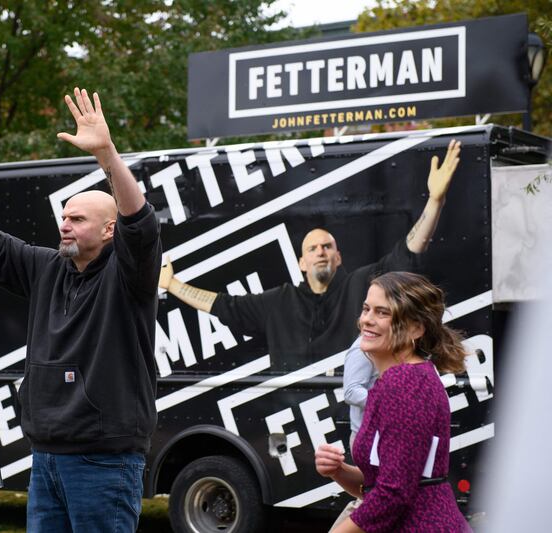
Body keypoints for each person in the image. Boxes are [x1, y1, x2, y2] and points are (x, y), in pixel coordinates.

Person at [0, 87, 162, 532]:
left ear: (110, 230)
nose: (65, 223)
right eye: (64, 215)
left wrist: (106, 154)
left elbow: (141, 224)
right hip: (47, 458)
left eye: (77, 218)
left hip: (103, 462)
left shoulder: (128, 275)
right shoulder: (46, 268)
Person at [158, 140, 461, 371]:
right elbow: (223, 305)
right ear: (301, 263)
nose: (320, 252)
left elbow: (407, 252)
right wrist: (171, 285)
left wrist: (435, 202)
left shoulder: (362, 287)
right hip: (291, 422)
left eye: (327, 246)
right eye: (312, 248)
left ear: (338, 257)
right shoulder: (278, 302)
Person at [314, 271, 472, 532]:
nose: (367, 320)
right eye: (366, 309)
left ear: (415, 328)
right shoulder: (397, 379)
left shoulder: (405, 382)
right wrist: (339, 471)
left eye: (382, 313)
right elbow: (381, 483)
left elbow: (393, 494)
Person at [329, 337, 377, 530]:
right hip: (366, 437)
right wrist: (391, 401)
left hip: (383, 437)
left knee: (371, 496)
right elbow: (350, 392)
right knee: (371, 498)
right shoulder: (362, 346)